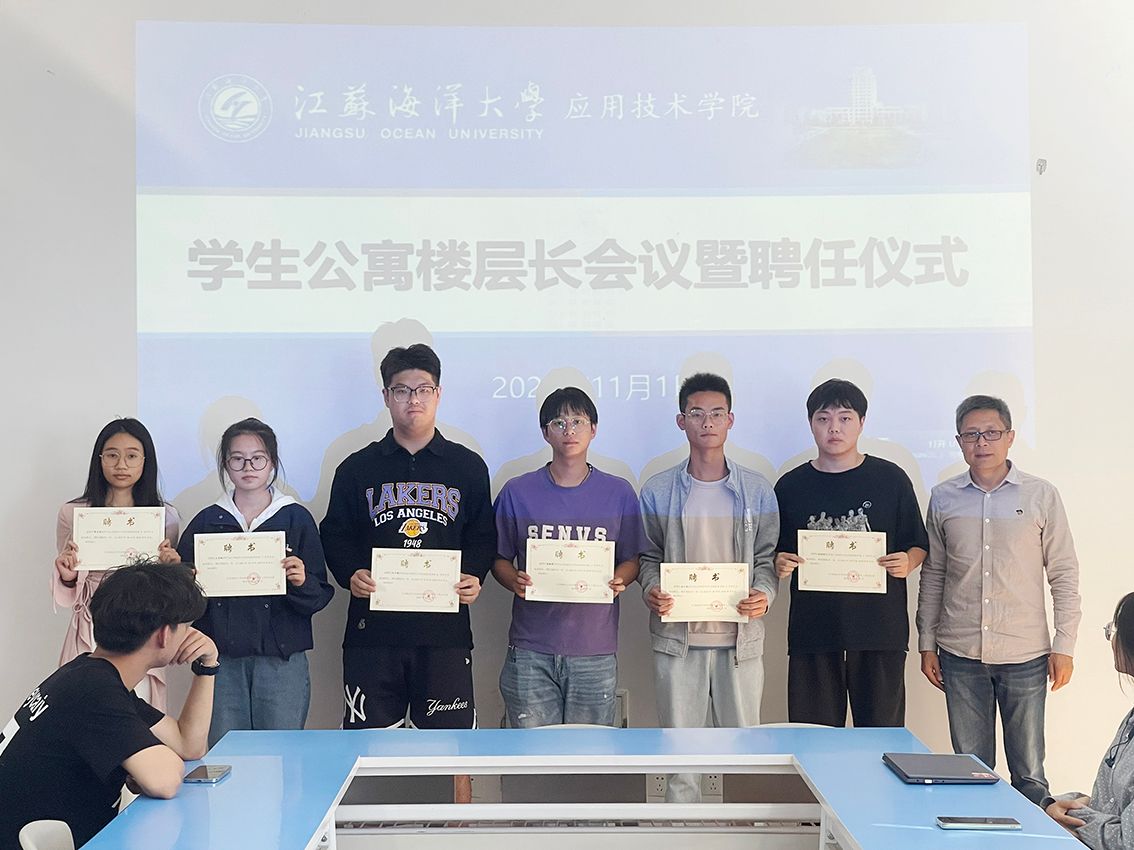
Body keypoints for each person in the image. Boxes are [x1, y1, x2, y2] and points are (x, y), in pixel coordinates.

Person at [320, 343, 496, 803]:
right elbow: (334, 534)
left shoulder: (467, 466)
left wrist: (474, 575)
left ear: (438, 394)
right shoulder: (356, 468)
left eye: (423, 389)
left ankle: (456, 827)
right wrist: (350, 573)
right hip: (373, 635)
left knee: (452, 749)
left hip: (444, 635)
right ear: (386, 396)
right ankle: (374, 828)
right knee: (368, 750)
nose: (413, 399)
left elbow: (482, 535)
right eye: (401, 390)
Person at [917, 394, 1082, 805]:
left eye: (991, 433)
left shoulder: (1041, 495)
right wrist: (926, 642)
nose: (982, 442)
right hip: (960, 652)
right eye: (971, 434)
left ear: (1010, 437)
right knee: (971, 771)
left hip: (1025, 652)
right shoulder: (944, 497)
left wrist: (1064, 645)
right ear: (959, 441)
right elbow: (934, 574)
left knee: (1030, 775)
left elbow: (1063, 572)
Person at [0, 561, 218, 848]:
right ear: (165, 635)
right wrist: (147, 767)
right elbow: (163, 780)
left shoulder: (89, 674)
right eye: (186, 628)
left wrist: (207, 666)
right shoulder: (93, 689)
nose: (190, 637)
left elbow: (188, 744)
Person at [638, 372, 779, 802]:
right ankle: (681, 830)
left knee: (743, 759)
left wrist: (764, 594)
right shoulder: (658, 489)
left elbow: (767, 558)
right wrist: (651, 589)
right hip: (678, 643)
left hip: (740, 643)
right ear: (681, 421)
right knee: (681, 763)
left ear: (730, 420)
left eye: (717, 413)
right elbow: (647, 557)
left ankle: (742, 832)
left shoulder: (756, 489)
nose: (707, 422)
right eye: (697, 413)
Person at [773, 379, 928, 727]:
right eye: (823, 419)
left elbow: (918, 543)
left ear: (862, 422)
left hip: (879, 631)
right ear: (811, 423)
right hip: (814, 632)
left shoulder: (891, 479)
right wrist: (779, 561)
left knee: (880, 736)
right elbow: (774, 550)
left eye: (845, 418)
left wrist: (908, 562)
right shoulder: (790, 485)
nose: (834, 428)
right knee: (813, 737)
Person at [175, 418, 334, 747]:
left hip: (281, 662)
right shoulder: (207, 520)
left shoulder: (295, 517)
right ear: (225, 465)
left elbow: (319, 594)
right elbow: (181, 598)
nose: (248, 467)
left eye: (258, 458)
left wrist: (301, 581)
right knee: (224, 753)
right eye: (237, 459)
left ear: (272, 462)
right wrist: (182, 577)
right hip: (220, 660)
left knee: (282, 755)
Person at [493, 386, 645, 727]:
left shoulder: (619, 492)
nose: (569, 430)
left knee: (590, 753)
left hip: (594, 649)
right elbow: (498, 558)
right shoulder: (517, 491)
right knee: (531, 751)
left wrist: (620, 578)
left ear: (594, 429)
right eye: (559, 423)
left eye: (578, 421)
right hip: (531, 648)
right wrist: (513, 580)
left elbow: (633, 558)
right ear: (545, 432)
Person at [52, 418, 181, 709]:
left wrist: (171, 569)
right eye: (112, 455)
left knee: (139, 707)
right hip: (92, 624)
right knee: (86, 705)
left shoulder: (165, 516)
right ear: (99, 459)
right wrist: (68, 574)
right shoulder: (72, 513)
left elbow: (164, 586)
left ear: (146, 461)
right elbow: (71, 578)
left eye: (132, 456)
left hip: (142, 624)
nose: (121, 464)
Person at [1044, 593, 1134, 848]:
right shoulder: (1130, 720)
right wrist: (1062, 804)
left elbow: (1127, 841)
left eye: (1114, 630)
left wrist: (1074, 816)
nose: (1111, 639)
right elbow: (1113, 804)